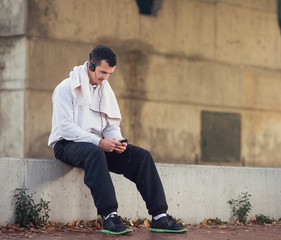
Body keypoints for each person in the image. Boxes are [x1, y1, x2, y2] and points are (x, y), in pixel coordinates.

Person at [48, 45, 187, 235]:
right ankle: (110, 216)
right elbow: (66, 128)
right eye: (103, 72)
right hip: (66, 144)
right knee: (95, 152)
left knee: (141, 156)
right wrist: (98, 142)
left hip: (96, 146)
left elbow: (111, 124)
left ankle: (159, 216)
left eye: (109, 74)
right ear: (91, 64)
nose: (105, 78)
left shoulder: (104, 88)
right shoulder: (66, 88)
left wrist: (118, 141)